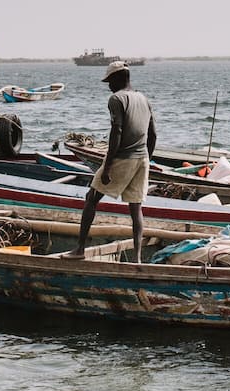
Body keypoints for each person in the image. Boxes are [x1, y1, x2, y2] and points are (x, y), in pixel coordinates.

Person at [61, 61, 155, 261]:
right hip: (142, 159)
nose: (108, 85)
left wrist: (107, 167)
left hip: (123, 158)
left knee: (91, 198)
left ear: (119, 78)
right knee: (135, 207)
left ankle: (79, 250)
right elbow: (153, 134)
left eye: (110, 80)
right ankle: (137, 258)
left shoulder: (116, 99)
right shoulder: (143, 98)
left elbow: (116, 132)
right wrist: (148, 159)